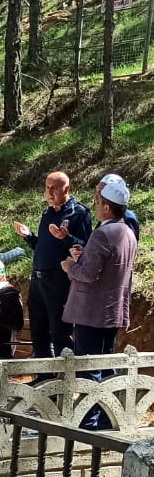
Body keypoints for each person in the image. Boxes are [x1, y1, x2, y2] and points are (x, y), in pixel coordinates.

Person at [60, 173, 137, 429]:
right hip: (112, 311)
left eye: (97, 202)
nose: (95, 206)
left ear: (106, 206)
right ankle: (107, 417)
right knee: (107, 364)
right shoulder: (127, 231)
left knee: (89, 367)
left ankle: (90, 420)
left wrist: (70, 265)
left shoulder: (103, 234)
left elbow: (87, 274)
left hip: (91, 311)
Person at [13, 170, 91, 357]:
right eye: (46, 188)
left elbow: (86, 247)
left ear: (67, 189)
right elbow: (42, 246)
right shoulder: (46, 213)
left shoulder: (78, 213)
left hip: (59, 280)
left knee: (59, 332)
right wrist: (29, 236)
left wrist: (67, 237)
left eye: (54, 189)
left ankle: (65, 378)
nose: (49, 193)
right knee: (38, 332)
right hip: (38, 280)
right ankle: (43, 376)